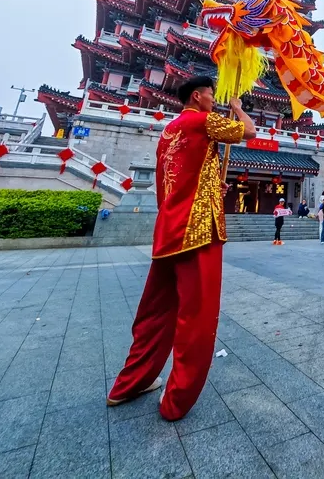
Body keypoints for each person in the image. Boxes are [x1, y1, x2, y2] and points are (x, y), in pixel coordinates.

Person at [107, 75, 256, 421]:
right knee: (195, 318)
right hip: (198, 232)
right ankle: (176, 401)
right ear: (196, 96)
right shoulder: (203, 121)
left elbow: (169, 183)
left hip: (169, 230)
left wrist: (209, 191)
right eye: (210, 95)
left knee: (155, 315)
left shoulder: (168, 131)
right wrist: (238, 108)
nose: (214, 101)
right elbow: (248, 132)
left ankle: (128, 385)